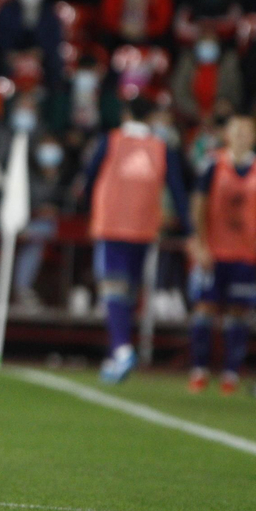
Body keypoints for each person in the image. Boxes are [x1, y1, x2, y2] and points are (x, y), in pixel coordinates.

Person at [80, 95, 189, 384]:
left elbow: (91, 176)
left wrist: (83, 205)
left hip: (112, 224)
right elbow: (178, 191)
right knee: (129, 288)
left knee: (112, 287)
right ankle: (117, 353)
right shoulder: (162, 147)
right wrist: (189, 230)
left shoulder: (112, 140)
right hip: (144, 227)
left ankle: (121, 348)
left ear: (126, 114)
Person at [186, 113, 256, 395]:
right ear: (227, 134)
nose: (240, 135)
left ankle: (231, 374)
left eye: (246, 131)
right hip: (215, 250)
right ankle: (199, 369)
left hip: (247, 253)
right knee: (205, 308)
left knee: (238, 312)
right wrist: (201, 244)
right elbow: (199, 204)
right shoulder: (213, 165)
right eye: (235, 130)